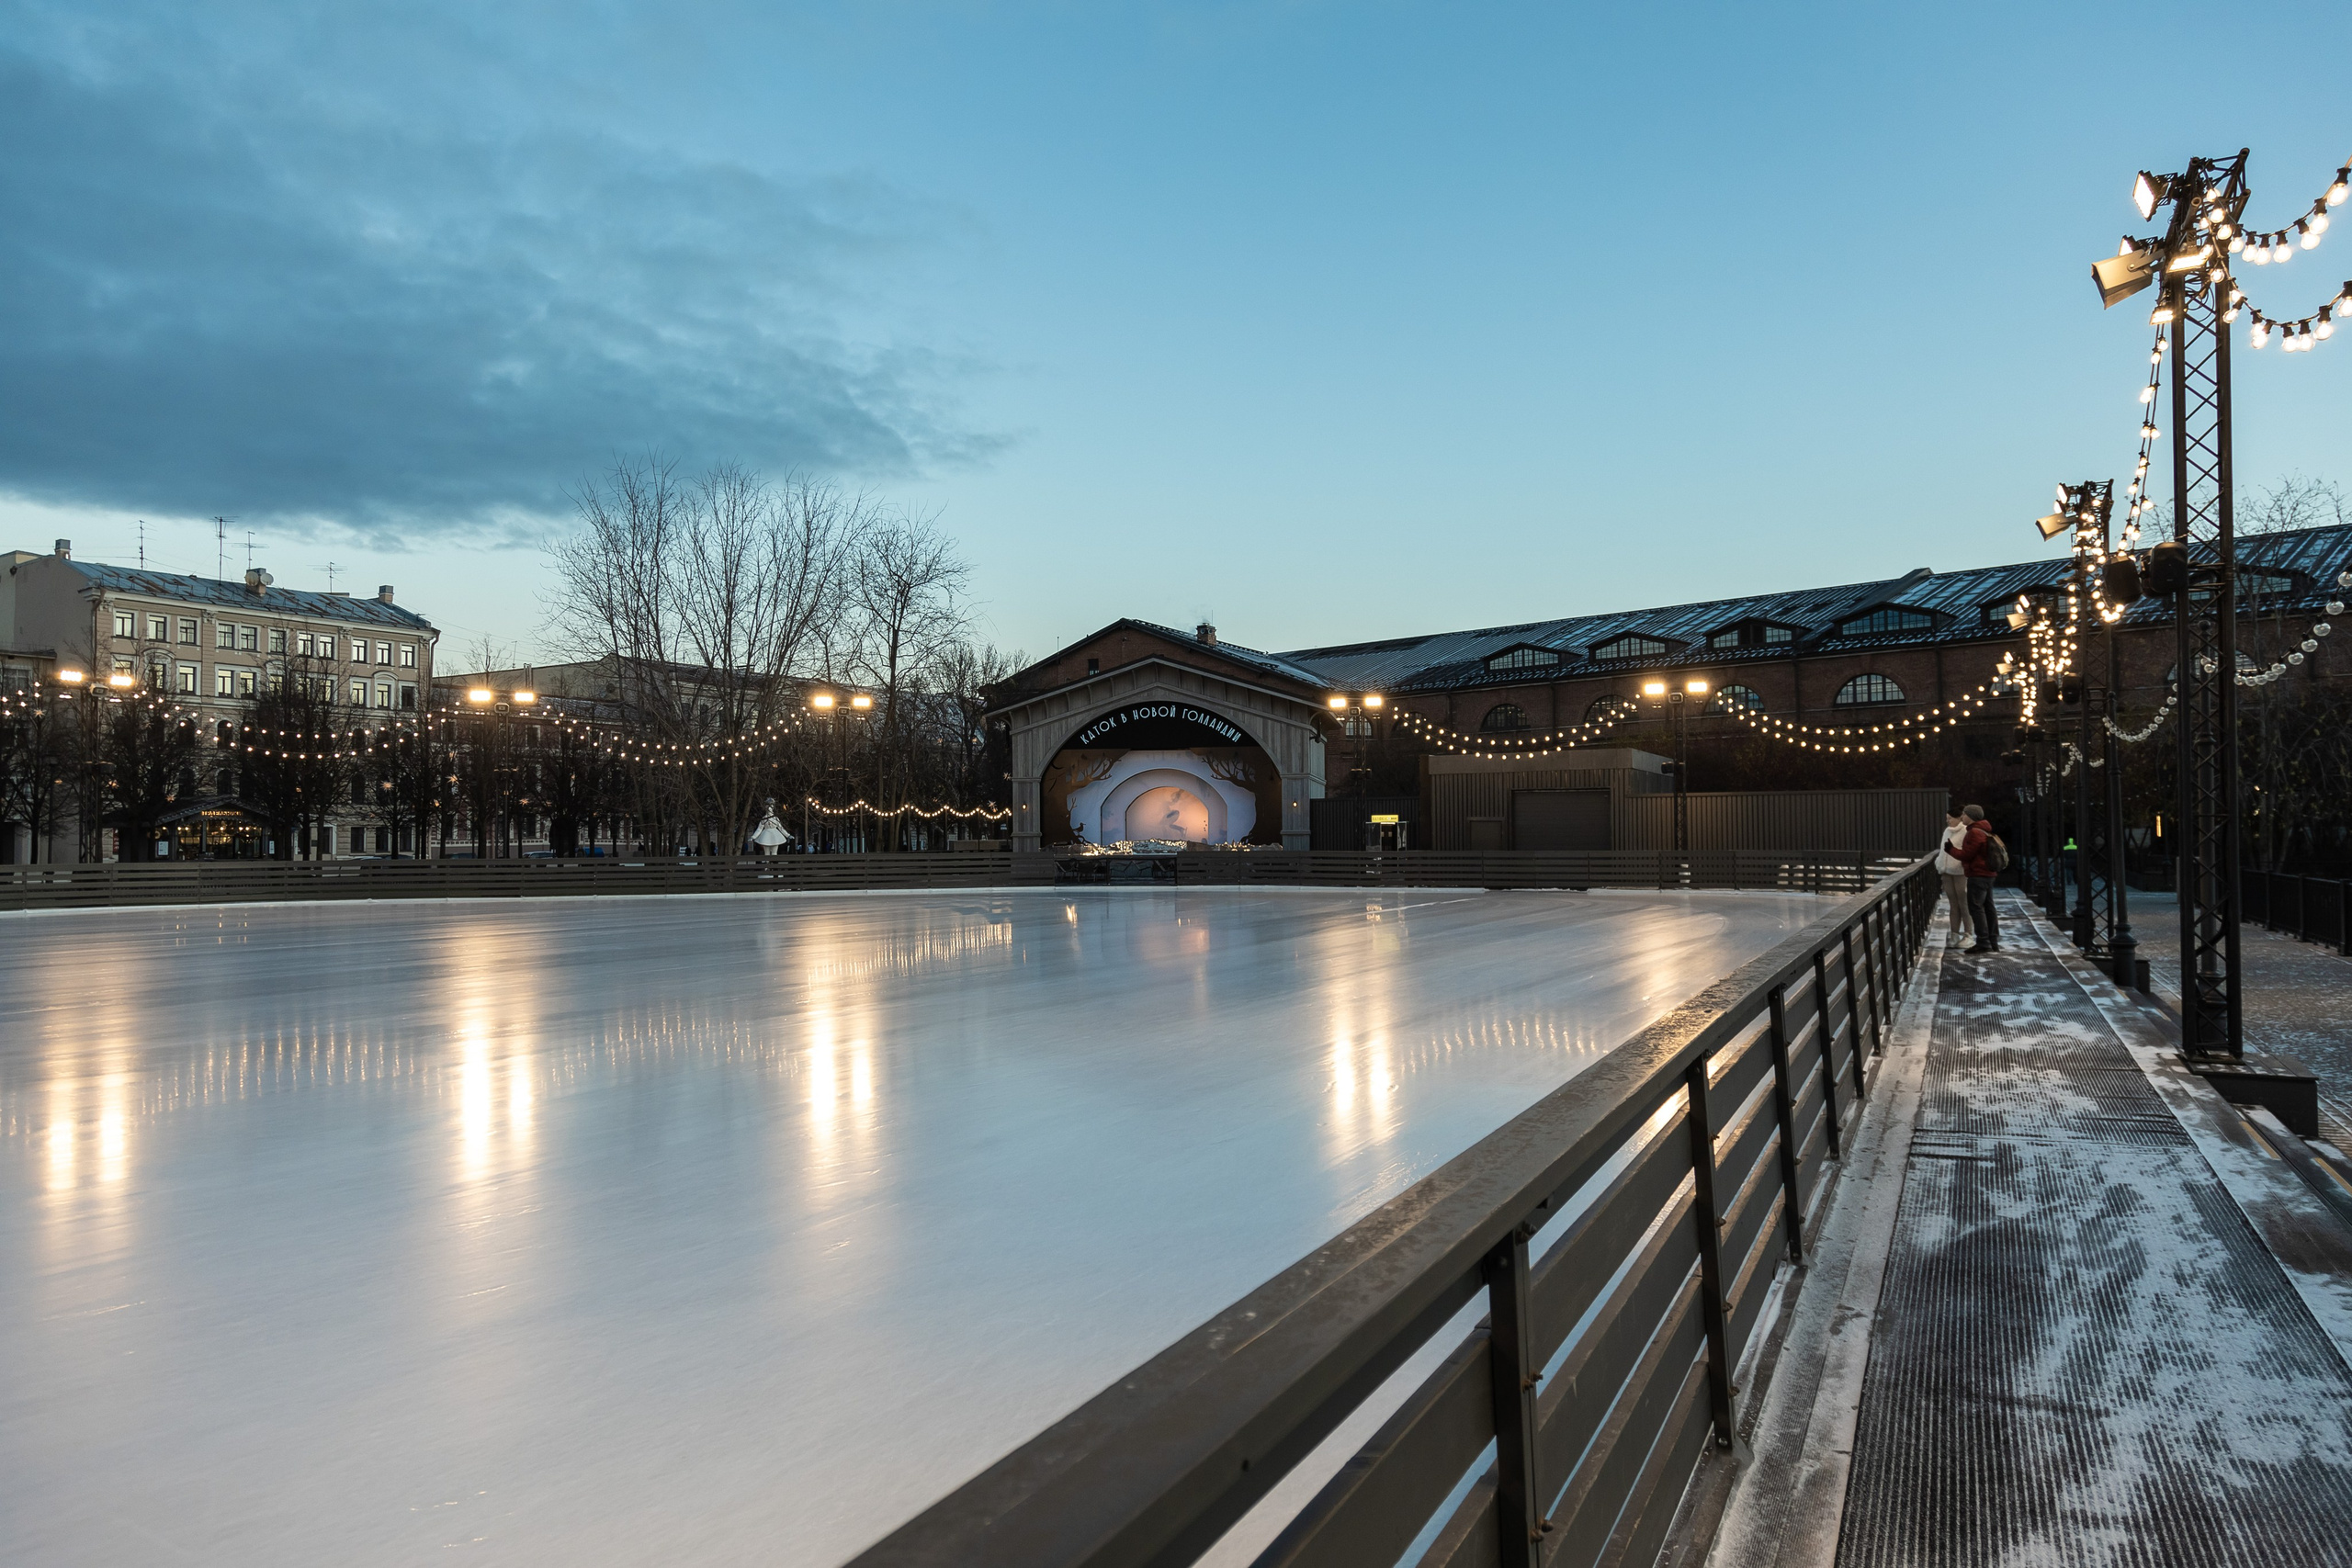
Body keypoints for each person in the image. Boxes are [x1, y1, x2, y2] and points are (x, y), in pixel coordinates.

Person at [1958, 804, 2000, 953]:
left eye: (1964, 814)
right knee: (1989, 907)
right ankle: (1993, 940)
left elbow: (1967, 854)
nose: (1962, 816)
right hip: (1988, 874)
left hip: (1978, 874)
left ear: (1970, 816)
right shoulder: (1984, 830)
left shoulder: (1974, 832)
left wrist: (1950, 850)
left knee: (1976, 907)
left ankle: (1983, 942)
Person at [1934, 807, 1969, 948]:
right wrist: (1940, 864)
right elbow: (1943, 850)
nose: (1947, 821)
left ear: (1959, 818)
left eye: (1950, 818)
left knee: (1964, 904)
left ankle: (1968, 934)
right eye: (1947, 818)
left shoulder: (1966, 831)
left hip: (1960, 872)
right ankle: (1954, 934)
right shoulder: (1947, 831)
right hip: (1946, 871)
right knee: (1953, 904)